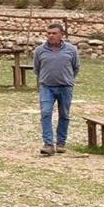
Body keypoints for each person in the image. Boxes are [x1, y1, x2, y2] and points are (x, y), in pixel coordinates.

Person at [33, 21, 81, 156]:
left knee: (64, 114)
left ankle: (61, 142)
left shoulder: (71, 50)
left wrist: (68, 79)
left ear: (61, 35)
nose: (51, 36)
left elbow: (76, 67)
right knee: (45, 113)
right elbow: (37, 69)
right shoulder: (39, 50)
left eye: (54, 33)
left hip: (65, 87)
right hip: (46, 87)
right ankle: (48, 144)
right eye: (48, 33)